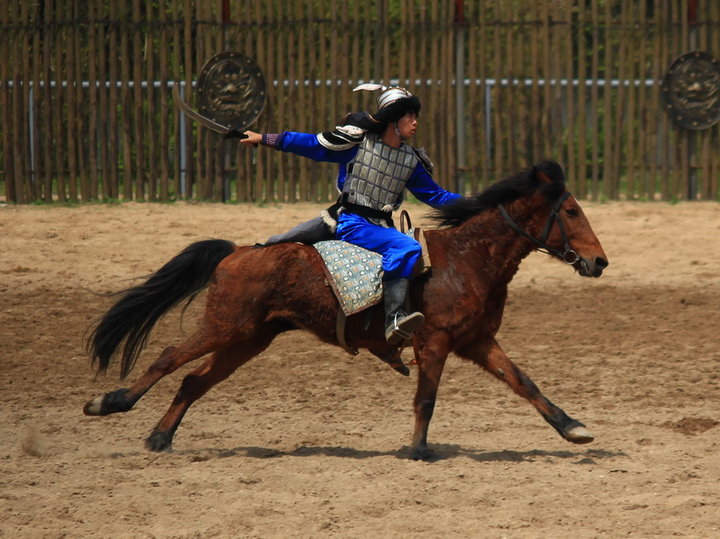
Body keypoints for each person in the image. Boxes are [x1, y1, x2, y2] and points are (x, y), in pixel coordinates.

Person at [237, 84, 461, 346]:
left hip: (380, 227)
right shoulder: (357, 143)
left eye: (415, 115)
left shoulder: (411, 160)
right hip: (353, 223)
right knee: (408, 248)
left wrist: (478, 204)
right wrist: (264, 138)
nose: (415, 122)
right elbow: (311, 144)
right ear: (393, 119)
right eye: (409, 116)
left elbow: (437, 196)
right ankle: (394, 319)